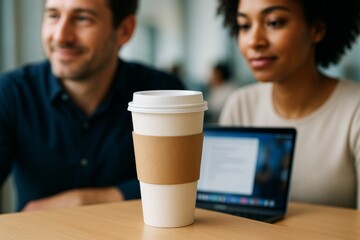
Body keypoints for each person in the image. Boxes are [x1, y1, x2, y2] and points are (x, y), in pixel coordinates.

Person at [0, 0, 184, 212]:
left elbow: (181, 181)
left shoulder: (162, 93)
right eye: (53, 15)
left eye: (82, 18)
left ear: (124, 30)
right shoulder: (12, 92)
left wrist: (90, 199)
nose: (60, 36)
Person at [217, 0, 360, 209]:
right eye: (245, 26)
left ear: (316, 29)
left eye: (274, 23)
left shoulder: (354, 110)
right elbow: (225, 208)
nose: (254, 41)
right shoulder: (241, 104)